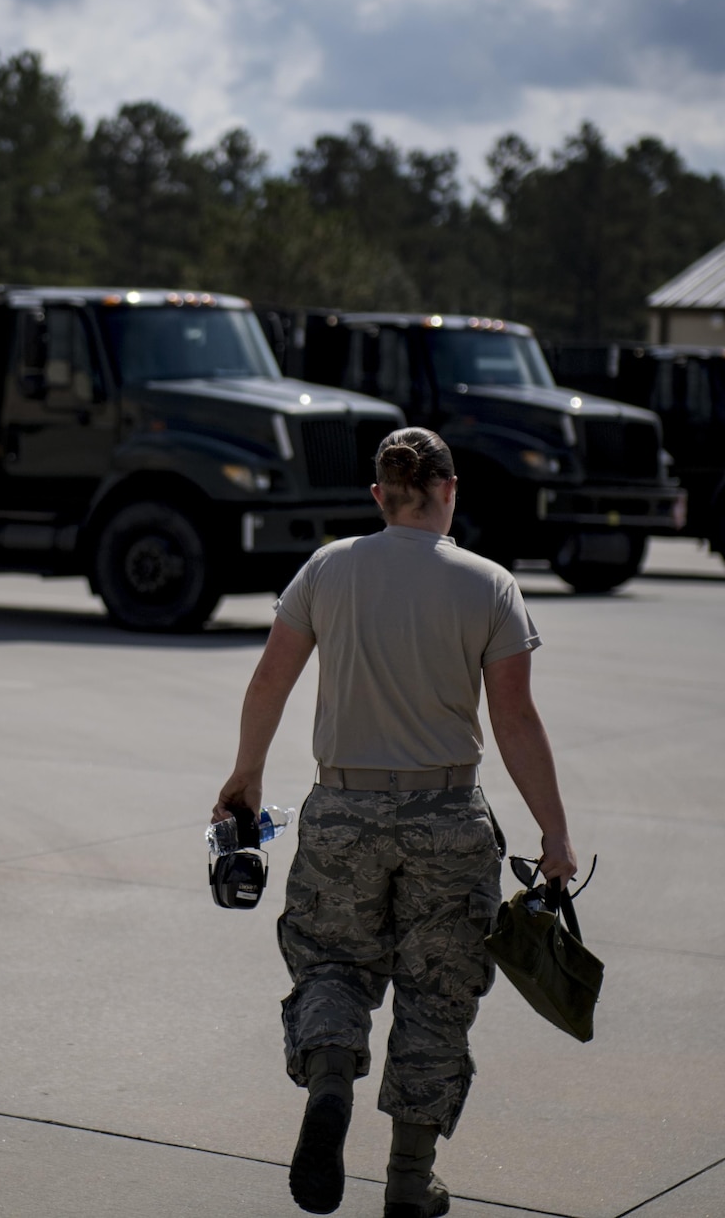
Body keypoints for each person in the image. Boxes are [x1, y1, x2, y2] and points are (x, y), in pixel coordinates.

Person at [212, 426, 578, 1218]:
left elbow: (270, 681)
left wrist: (246, 775)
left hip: (342, 808)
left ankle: (333, 1077)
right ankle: (410, 1180)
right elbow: (515, 720)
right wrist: (554, 832)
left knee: (332, 964)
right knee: (436, 994)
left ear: (379, 496)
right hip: (448, 815)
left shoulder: (329, 567)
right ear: (450, 492)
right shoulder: (490, 585)